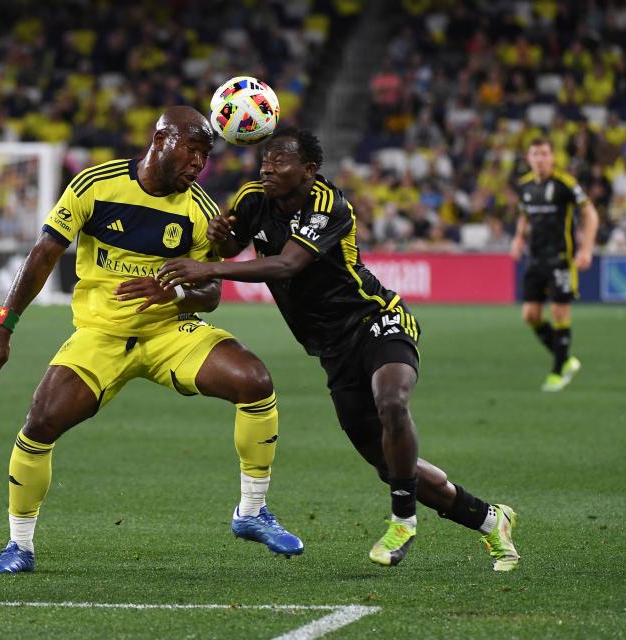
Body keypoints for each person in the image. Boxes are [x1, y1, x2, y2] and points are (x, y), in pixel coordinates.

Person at [157, 128, 519, 570]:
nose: (267, 168)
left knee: (392, 402)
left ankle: (402, 520)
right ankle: (488, 518)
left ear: (309, 171)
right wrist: (221, 237)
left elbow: (288, 263)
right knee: (391, 466)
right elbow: (234, 243)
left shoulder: (330, 205)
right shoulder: (254, 196)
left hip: (376, 320)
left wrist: (208, 266)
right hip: (332, 349)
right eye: (265, 160)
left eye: (279, 161)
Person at [0, 106, 303, 574]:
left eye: (206, 155)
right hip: (101, 334)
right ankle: (18, 546)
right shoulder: (96, 184)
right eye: (192, 150)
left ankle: (251, 512)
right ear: (162, 139)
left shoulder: (200, 209)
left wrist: (174, 289)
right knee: (41, 422)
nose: (199, 164)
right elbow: (44, 253)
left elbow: (210, 294)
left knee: (254, 380)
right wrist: (3, 327)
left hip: (168, 332)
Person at [510, 138, 599, 391]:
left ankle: (558, 371)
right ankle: (566, 358)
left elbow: (590, 213)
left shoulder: (565, 184)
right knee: (530, 315)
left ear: (552, 157)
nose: (540, 158)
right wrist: (518, 239)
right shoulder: (525, 187)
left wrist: (586, 249)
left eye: (544, 153)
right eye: (535, 154)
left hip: (561, 258)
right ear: (529, 158)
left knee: (559, 312)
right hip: (535, 259)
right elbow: (524, 216)